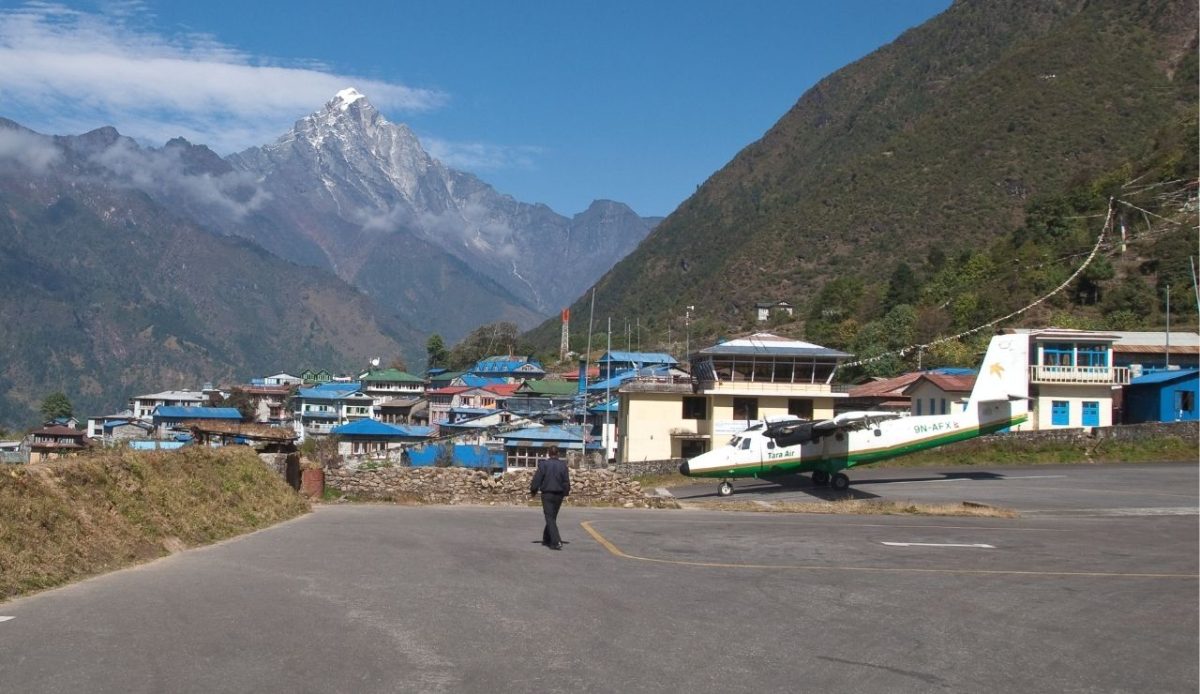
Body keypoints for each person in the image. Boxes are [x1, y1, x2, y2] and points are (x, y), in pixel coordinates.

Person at [529, 446, 571, 550]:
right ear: (558, 454)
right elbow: (566, 481)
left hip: (547, 494)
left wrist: (533, 490)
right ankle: (547, 538)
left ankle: (556, 541)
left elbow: (537, 479)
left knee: (550, 518)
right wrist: (565, 493)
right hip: (559, 494)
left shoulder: (544, 465)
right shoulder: (563, 466)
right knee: (552, 517)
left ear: (548, 454)